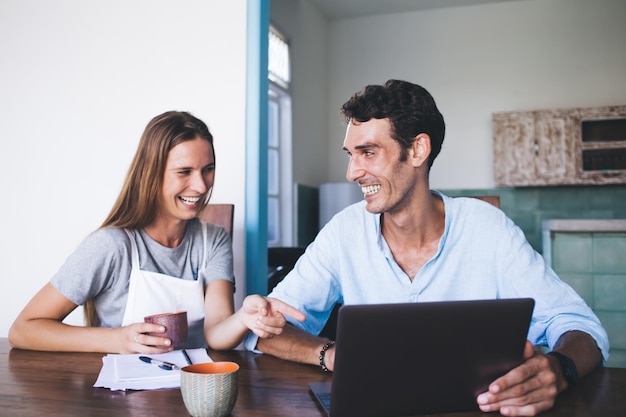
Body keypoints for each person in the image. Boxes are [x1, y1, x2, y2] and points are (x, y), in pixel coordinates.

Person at [245, 80, 609, 416]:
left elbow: (580, 326)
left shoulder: (488, 228)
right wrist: (331, 355)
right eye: (350, 154)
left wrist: (558, 369)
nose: (352, 172)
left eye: (368, 152)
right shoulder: (344, 231)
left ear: (418, 149)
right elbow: (270, 329)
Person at [9, 110, 304, 354]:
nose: (202, 187)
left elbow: (216, 333)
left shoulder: (213, 240)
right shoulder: (111, 246)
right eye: (184, 172)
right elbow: (24, 329)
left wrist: (245, 317)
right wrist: (117, 340)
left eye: (208, 169)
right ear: (152, 173)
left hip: (193, 395)